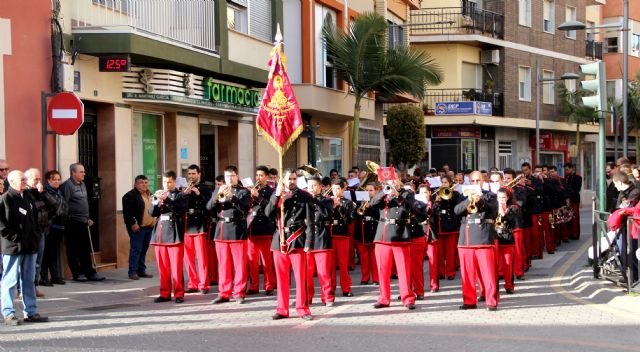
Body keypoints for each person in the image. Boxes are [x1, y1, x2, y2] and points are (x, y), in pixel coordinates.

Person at [369, 172, 425, 310]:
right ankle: (383, 299)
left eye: (394, 180)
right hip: (383, 234)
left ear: (399, 180)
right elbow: (373, 204)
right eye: (389, 181)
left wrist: (397, 194)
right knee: (383, 270)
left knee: (404, 269)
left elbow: (411, 208)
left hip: (400, 233)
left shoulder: (407, 194)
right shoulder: (383, 193)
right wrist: (384, 192)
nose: (392, 182)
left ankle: (408, 298)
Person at [1, 171, 49, 326]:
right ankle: (8, 313)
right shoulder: (5, 199)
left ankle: (31, 312)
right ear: (12, 181)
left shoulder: (28, 196)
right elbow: (1, 226)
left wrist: (34, 235)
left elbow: (40, 212)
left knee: (28, 280)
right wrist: (15, 238)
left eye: (24, 179)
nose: (25, 181)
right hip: (13, 248)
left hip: (30, 246)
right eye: (21, 179)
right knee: (10, 280)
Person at [265, 170, 313, 320]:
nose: (292, 181)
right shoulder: (277, 195)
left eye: (294, 178)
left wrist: (309, 242)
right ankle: (282, 309)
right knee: (281, 278)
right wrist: (277, 195)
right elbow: (268, 213)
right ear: (282, 180)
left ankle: (302, 308)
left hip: (297, 239)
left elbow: (310, 222)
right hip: (280, 239)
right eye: (289, 179)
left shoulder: (305, 196)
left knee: (300, 278)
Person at [455, 170, 499, 311]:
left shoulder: (490, 195)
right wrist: (469, 200)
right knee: (467, 273)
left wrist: (481, 201)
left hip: (482, 237)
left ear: (483, 181)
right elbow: (457, 211)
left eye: (477, 181)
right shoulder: (463, 195)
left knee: (488, 272)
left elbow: (493, 212)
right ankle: (469, 301)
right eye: (472, 181)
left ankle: (491, 301)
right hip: (466, 238)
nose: (475, 183)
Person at [207, 165, 250, 304]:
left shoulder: (243, 192)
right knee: (223, 264)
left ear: (237, 176)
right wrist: (218, 196)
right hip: (222, 230)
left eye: (232, 176)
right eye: (226, 176)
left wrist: (232, 197)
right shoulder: (219, 190)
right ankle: (224, 293)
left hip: (237, 229)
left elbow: (244, 209)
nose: (229, 179)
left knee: (239, 265)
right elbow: (210, 208)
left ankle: (239, 292)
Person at [60, 163, 104, 282]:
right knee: (73, 249)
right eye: (81, 172)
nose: (84, 174)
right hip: (72, 222)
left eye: (84, 171)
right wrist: (69, 218)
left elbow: (84, 203)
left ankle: (90, 272)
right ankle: (77, 273)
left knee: (85, 249)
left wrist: (87, 217)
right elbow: (64, 204)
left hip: (84, 221)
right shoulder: (67, 185)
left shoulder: (83, 184)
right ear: (73, 173)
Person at [150, 171, 188, 303]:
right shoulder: (160, 194)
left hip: (174, 234)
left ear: (174, 182)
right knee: (163, 268)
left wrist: (166, 200)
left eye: (169, 182)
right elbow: (152, 213)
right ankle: (165, 293)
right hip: (160, 234)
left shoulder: (180, 195)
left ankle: (179, 294)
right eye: (164, 182)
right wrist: (155, 201)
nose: (166, 184)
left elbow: (179, 210)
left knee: (176, 267)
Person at [25, 168, 59, 297]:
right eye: (35, 179)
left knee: (38, 261)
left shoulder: (41, 192)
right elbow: (34, 208)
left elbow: (55, 206)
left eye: (39, 179)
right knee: (28, 262)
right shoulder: (25, 193)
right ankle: (24, 288)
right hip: (29, 233)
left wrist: (43, 193)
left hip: (41, 231)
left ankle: (34, 286)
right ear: (27, 180)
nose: (38, 181)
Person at [182, 165, 213, 294]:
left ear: (199, 174)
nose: (191, 176)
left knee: (201, 257)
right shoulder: (184, 189)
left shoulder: (206, 188)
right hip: (187, 224)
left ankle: (204, 284)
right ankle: (192, 283)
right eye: (189, 174)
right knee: (188, 257)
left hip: (199, 223)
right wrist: (184, 195)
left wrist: (198, 194)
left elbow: (208, 206)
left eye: (193, 174)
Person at [305, 175, 335, 306]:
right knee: (307, 272)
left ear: (321, 187)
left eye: (314, 185)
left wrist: (313, 200)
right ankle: (307, 297)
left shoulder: (327, 200)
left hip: (321, 237)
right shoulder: (303, 200)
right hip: (306, 238)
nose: (311, 188)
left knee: (323, 272)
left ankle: (327, 297)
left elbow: (326, 213)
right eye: (309, 185)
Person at [246, 165, 276, 296]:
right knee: (252, 261)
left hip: (265, 228)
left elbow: (269, 209)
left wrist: (258, 197)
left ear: (267, 177)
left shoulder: (271, 191)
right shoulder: (252, 189)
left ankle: (269, 285)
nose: (258, 178)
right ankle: (254, 286)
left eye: (261, 175)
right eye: (257, 175)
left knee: (266, 260)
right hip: (252, 229)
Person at [121, 175, 156, 280]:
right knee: (136, 249)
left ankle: (141, 270)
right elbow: (127, 213)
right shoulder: (129, 196)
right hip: (138, 227)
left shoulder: (149, 194)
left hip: (149, 227)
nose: (144, 184)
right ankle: (132, 272)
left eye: (146, 182)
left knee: (144, 250)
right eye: (141, 182)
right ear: (135, 184)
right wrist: (133, 223)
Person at [329, 178, 356, 297]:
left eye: (337, 189)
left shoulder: (347, 202)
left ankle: (346, 288)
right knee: (331, 265)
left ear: (343, 189)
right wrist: (331, 206)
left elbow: (350, 219)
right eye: (333, 189)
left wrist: (339, 206)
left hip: (343, 235)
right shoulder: (327, 201)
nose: (335, 191)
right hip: (330, 234)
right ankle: (331, 288)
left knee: (343, 264)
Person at [41, 170, 67, 285]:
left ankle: (55, 276)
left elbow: (64, 206)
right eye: (54, 179)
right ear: (48, 180)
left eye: (58, 179)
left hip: (59, 226)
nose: (57, 181)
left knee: (54, 253)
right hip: (50, 226)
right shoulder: (45, 192)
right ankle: (44, 277)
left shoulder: (59, 192)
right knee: (46, 253)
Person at [433, 175, 461, 281]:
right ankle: (440, 272)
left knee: (450, 251)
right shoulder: (437, 193)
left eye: (445, 182)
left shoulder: (456, 194)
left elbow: (456, 206)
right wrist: (437, 201)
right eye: (442, 182)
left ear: (450, 183)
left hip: (451, 224)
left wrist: (450, 194)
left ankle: (450, 272)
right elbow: (434, 210)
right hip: (441, 224)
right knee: (440, 252)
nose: (444, 184)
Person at [495, 187, 522, 294]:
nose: (501, 200)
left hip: (507, 238)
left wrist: (504, 213)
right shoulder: (493, 207)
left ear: (508, 198)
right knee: (495, 265)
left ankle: (509, 286)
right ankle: (495, 286)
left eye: (503, 198)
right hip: (495, 238)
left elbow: (512, 222)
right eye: (499, 197)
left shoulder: (513, 207)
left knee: (507, 264)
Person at [353, 182, 380, 285]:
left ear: (375, 191)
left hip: (373, 231)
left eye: (371, 190)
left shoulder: (377, 202)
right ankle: (365, 277)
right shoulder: (360, 202)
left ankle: (376, 278)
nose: (368, 192)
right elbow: (355, 216)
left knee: (374, 258)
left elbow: (379, 215)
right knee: (363, 258)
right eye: (367, 190)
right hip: (362, 232)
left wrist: (370, 207)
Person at [563, 163, 582, 240]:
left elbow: (576, 190)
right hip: (567, 200)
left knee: (575, 217)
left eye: (567, 169)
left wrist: (569, 194)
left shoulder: (578, 177)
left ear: (571, 169)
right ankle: (569, 233)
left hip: (574, 199)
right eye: (565, 170)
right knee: (568, 217)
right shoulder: (566, 178)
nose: (566, 171)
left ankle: (575, 234)